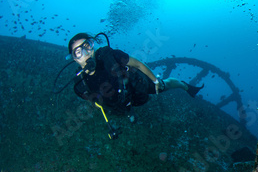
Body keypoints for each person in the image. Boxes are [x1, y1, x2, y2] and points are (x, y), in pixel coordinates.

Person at [68, 32, 203, 122]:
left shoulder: (110, 56)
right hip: (122, 101)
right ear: (74, 59)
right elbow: (91, 100)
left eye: (87, 46)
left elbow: (138, 64)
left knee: (164, 85)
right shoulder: (80, 83)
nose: (85, 53)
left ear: (92, 46)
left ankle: (184, 85)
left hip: (135, 85)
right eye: (78, 52)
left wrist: (155, 81)